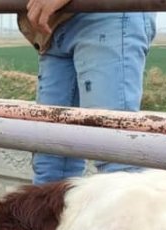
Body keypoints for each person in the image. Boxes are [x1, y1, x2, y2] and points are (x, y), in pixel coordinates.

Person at [19, 0, 157, 184]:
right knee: (50, 164)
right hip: (54, 24)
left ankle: (126, 212)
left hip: (105, 12)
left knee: (115, 157)